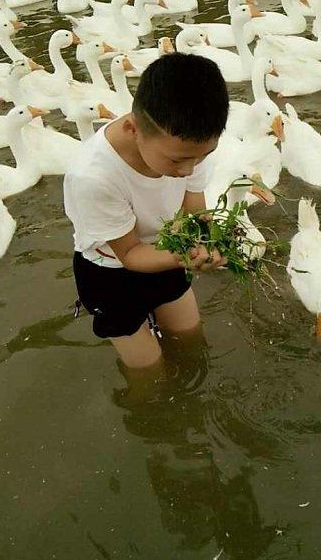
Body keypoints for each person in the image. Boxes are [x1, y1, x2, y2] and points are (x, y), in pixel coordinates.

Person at [63, 51, 229, 378]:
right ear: (132, 128)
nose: (188, 169)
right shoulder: (93, 178)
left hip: (168, 248)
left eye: (201, 156)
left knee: (191, 340)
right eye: (177, 161)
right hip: (112, 272)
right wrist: (186, 256)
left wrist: (208, 240)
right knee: (149, 373)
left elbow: (194, 206)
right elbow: (130, 254)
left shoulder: (189, 143)